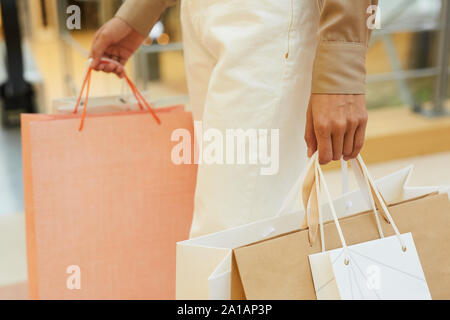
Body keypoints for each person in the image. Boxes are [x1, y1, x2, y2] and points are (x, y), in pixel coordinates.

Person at [89, 0, 377, 238]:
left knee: (228, 235)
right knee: (252, 224)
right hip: (200, 14)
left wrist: (343, 66)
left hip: (269, 21)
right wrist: (141, 11)